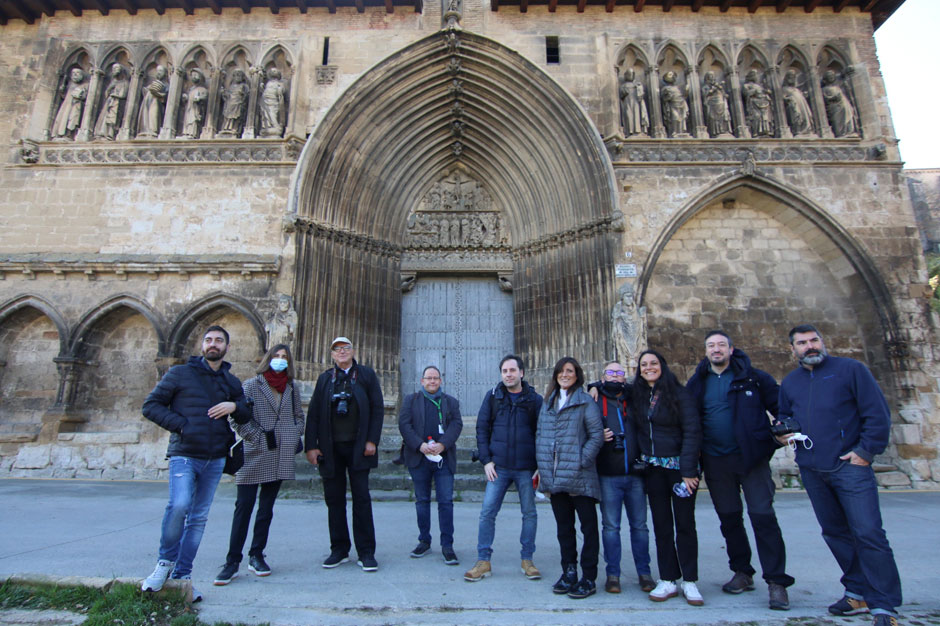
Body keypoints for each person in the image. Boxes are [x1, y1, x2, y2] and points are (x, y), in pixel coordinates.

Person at [777, 324, 901, 626]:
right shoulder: (791, 382)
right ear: (792, 350)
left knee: (869, 533)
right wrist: (782, 434)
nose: (810, 347)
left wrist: (866, 451)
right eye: (802, 343)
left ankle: (883, 604)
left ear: (823, 342)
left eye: (814, 340)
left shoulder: (851, 370)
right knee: (835, 533)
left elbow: (876, 413)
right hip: (813, 469)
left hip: (850, 468)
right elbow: (784, 416)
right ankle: (857, 591)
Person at [140, 325, 252, 601]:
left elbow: (246, 414)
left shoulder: (231, 381)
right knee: (179, 506)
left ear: (226, 347)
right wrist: (183, 426)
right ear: (202, 345)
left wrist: (235, 407)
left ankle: (183, 576)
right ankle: (164, 564)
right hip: (185, 453)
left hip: (215, 457)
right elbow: (151, 406)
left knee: (198, 518)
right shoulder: (180, 373)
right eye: (209, 340)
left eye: (219, 341)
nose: (213, 344)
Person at [685, 331, 793, 610]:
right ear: (706, 351)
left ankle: (777, 582)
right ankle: (742, 572)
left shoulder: (755, 378)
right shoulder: (698, 382)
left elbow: (783, 408)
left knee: (763, 517)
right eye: (711, 345)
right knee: (730, 519)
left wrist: (777, 434)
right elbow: (687, 418)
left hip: (752, 459)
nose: (716, 349)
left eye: (721, 345)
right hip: (717, 461)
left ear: (731, 349)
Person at [213, 343, 305, 586]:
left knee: (266, 508)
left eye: (285, 356)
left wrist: (292, 434)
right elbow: (238, 418)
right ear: (268, 358)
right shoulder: (252, 385)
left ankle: (257, 555)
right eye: (276, 355)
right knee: (243, 507)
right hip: (254, 452)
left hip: (280, 453)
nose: (280, 359)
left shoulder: (291, 388)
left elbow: (299, 417)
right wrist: (259, 437)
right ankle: (232, 561)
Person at [628, 349, 703, 606]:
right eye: (644, 364)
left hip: (679, 470)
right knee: (661, 525)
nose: (649, 367)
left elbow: (692, 431)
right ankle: (668, 578)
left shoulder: (680, 394)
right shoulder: (637, 395)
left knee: (684, 524)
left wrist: (689, 471)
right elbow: (610, 387)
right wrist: (594, 387)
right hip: (653, 470)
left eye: (653, 363)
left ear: (662, 366)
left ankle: (690, 580)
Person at [305, 337, 384, 572]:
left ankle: (366, 551)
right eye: (337, 349)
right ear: (332, 354)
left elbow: (378, 408)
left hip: (359, 447)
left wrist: (372, 440)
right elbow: (314, 414)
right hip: (330, 449)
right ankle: (339, 549)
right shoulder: (324, 379)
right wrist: (311, 446)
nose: (341, 352)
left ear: (353, 351)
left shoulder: (366, 375)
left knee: (361, 498)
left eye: (345, 348)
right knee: (334, 499)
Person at [464, 354, 543, 583]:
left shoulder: (534, 400)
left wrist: (539, 465)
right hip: (498, 467)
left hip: (526, 468)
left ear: (521, 373)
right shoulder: (492, 397)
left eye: (512, 370)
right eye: (504, 371)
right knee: (487, 513)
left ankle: (527, 559)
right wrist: (486, 460)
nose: (508, 374)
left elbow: (543, 432)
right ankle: (483, 561)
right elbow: (481, 428)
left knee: (529, 514)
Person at [536, 357, 603, 599]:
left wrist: (580, 462)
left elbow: (596, 436)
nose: (565, 374)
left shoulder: (585, 402)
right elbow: (540, 436)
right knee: (564, 529)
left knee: (588, 529)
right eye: (561, 371)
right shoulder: (547, 403)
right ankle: (569, 572)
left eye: (570, 371)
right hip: (555, 479)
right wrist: (543, 469)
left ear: (577, 375)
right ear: (555, 375)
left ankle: (589, 578)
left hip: (580, 478)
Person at [588, 361, 653, 594]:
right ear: (602, 377)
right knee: (611, 527)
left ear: (625, 377)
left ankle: (644, 573)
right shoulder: (594, 400)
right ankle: (613, 575)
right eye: (610, 373)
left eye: (619, 372)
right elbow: (584, 429)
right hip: (608, 475)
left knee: (640, 527)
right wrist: (598, 436)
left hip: (635, 475)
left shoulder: (634, 398)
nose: (615, 376)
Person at [398, 365, 463, 565]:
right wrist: (420, 445)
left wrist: (443, 444)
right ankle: (424, 541)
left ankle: (447, 545)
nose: (432, 381)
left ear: (440, 381)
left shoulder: (450, 402)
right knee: (422, 501)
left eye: (436, 378)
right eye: (429, 378)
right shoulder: (411, 400)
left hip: (443, 459)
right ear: (422, 381)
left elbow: (456, 425)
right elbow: (404, 425)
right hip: (419, 458)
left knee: (445, 502)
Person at [94, 63, 129, 141]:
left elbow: (123, 95)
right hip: (110, 102)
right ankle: (104, 133)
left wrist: (115, 95)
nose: (115, 71)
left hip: (117, 104)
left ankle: (111, 133)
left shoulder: (125, 83)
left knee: (113, 119)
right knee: (106, 118)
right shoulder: (113, 82)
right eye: (113, 69)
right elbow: (106, 92)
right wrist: (110, 89)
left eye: (117, 69)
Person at [52, 67, 87, 141]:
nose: (75, 75)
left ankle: (69, 135)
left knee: (72, 119)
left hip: (75, 105)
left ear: (82, 75)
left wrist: (80, 95)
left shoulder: (85, 85)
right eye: (73, 73)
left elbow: (85, 97)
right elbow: (63, 95)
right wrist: (62, 90)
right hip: (66, 105)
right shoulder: (70, 85)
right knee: (63, 119)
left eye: (77, 73)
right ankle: (60, 134)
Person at [821, 70, 859, 138]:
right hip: (835, 108)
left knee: (848, 117)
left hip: (844, 106)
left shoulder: (837, 88)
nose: (831, 77)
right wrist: (833, 97)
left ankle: (849, 132)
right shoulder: (824, 89)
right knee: (838, 121)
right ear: (825, 79)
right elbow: (825, 98)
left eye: (832, 76)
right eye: (829, 76)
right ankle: (841, 133)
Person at [137, 65, 168, 139]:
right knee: (146, 115)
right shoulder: (152, 84)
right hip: (147, 102)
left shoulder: (166, 85)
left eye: (160, 71)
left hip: (156, 102)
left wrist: (158, 94)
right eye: (157, 71)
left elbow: (166, 96)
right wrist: (146, 90)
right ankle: (145, 130)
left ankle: (153, 131)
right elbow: (146, 91)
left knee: (153, 115)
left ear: (165, 73)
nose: (158, 73)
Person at [660, 71, 689, 138]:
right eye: (670, 75)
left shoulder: (677, 88)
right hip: (672, 105)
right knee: (675, 118)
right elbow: (664, 99)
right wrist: (668, 96)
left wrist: (686, 92)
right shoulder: (665, 88)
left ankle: (681, 132)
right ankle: (674, 132)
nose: (672, 77)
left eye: (673, 75)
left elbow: (682, 96)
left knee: (682, 118)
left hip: (681, 104)